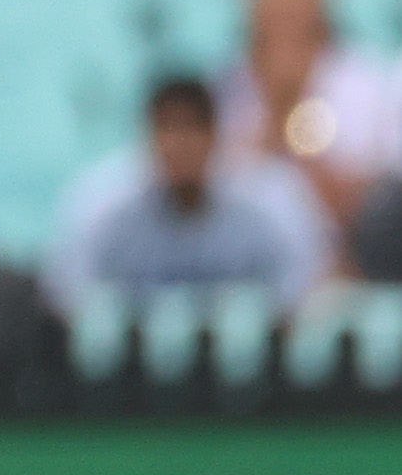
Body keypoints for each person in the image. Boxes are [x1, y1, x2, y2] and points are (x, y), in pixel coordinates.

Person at [44, 76, 327, 312]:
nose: (179, 144)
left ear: (215, 136)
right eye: (167, 129)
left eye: (191, 129)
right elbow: (68, 293)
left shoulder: (267, 200)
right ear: (147, 137)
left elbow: (306, 285)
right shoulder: (101, 204)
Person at [213, 0, 398, 234]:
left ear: (319, 0)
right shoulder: (224, 87)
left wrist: (290, 111)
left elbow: (368, 210)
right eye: (270, 2)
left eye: (291, 6)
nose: (280, 17)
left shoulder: (365, 85)